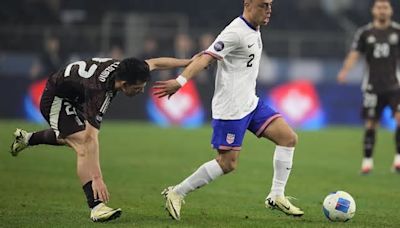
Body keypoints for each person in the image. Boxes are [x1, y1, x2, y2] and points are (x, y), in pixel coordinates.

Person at [154, 0, 304, 220]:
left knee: (288, 138)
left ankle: (276, 195)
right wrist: (180, 81)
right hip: (231, 108)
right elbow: (205, 58)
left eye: (270, 5)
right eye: (264, 5)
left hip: (250, 103)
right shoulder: (235, 32)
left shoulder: (255, 28)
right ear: (248, 4)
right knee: (227, 163)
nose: (269, 10)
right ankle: (176, 192)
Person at [10, 56, 194, 222]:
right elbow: (91, 139)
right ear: (123, 84)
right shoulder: (98, 92)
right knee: (82, 144)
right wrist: (97, 177)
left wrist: (187, 62)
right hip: (56, 98)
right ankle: (96, 207)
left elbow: (154, 62)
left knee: (70, 136)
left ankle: (27, 138)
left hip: (73, 94)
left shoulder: (127, 69)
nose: (141, 90)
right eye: (137, 87)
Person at [337, 0, 400, 174]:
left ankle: (398, 159)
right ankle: (367, 162)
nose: (382, 10)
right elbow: (354, 53)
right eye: (379, 7)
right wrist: (344, 71)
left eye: (385, 7)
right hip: (372, 86)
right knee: (371, 124)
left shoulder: (397, 31)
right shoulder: (365, 33)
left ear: (390, 11)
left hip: (395, 86)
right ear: (373, 10)